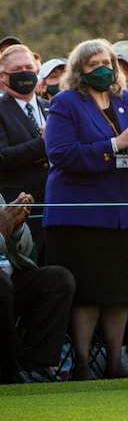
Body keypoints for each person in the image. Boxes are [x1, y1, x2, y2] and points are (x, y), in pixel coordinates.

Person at [43, 38, 128, 381]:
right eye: (93, 65)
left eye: (107, 62)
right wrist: (113, 145)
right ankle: (80, 362)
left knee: (119, 289)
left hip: (123, 210)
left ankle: (116, 362)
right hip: (81, 212)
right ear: (80, 71)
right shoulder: (65, 103)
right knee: (89, 290)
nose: (103, 70)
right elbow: (60, 154)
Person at [0, 191, 75, 384]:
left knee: (59, 279)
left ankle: (37, 364)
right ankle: (11, 364)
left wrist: (16, 227)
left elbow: (24, 249)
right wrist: (1, 231)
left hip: (11, 276)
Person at [1, 44, 53, 262]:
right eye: (17, 69)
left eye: (29, 67)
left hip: (54, 204)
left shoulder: (51, 106)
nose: (25, 73)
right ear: (3, 76)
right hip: (19, 209)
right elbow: (3, 156)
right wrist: (41, 144)